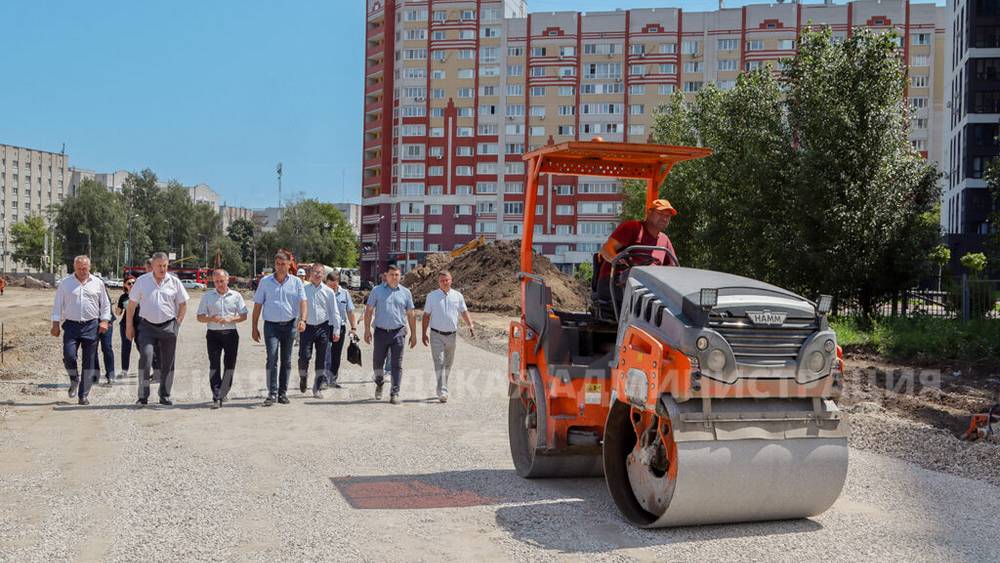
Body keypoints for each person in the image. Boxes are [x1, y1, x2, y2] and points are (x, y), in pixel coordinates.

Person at [126, 252, 190, 406]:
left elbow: (183, 304)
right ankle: (143, 397)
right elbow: (131, 305)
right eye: (159, 266)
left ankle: (165, 395)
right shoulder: (142, 281)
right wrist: (129, 326)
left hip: (169, 326)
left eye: (165, 266)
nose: (162, 269)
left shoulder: (174, 282)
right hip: (147, 326)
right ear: (152, 266)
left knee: (168, 362)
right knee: (146, 358)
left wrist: (178, 323)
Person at [50, 255, 111, 405]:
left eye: (85, 268)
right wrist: (55, 324)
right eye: (79, 268)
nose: (82, 271)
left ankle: (83, 395)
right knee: (69, 356)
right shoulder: (65, 283)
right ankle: (74, 379)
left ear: (89, 267)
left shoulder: (98, 283)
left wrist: (104, 320)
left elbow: (105, 304)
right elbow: (58, 304)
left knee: (89, 362)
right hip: (71, 325)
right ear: (74, 267)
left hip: (91, 325)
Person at [596, 199, 679, 305]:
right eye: (660, 213)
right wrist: (618, 261)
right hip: (616, 282)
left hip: (649, 286)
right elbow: (606, 250)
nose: (664, 218)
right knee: (646, 300)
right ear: (649, 213)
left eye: (668, 216)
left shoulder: (665, 240)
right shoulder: (632, 228)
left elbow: (674, 269)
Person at [252, 251, 307, 406]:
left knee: (287, 360)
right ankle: (272, 393)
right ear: (274, 265)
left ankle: (283, 393)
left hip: (290, 326)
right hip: (271, 326)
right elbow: (257, 305)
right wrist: (254, 326)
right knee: (272, 358)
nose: (281, 267)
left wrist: (302, 319)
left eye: (283, 264)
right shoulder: (265, 282)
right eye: (278, 264)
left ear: (289, 264)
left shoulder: (296, 282)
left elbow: (303, 302)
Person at [364, 264, 416, 404]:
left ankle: (395, 393)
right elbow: (369, 310)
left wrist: (414, 334)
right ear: (386, 276)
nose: (394, 277)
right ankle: (379, 383)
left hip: (398, 332)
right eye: (392, 274)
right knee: (378, 363)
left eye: (397, 275)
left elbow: (411, 313)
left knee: (396, 364)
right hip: (380, 332)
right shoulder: (377, 291)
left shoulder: (406, 292)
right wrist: (367, 330)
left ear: (400, 276)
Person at [196, 268, 248, 409]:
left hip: (231, 333)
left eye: (222, 281)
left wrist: (233, 318)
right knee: (214, 364)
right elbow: (199, 317)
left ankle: (224, 390)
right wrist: (210, 318)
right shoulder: (207, 296)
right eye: (216, 281)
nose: (219, 284)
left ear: (227, 280)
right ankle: (216, 395)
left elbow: (244, 315)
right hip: (213, 334)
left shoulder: (236, 296)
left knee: (229, 364)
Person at [421, 270, 474, 403]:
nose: (445, 283)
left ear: (451, 280)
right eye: (442, 281)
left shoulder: (458, 296)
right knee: (439, 362)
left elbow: (464, 312)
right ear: (439, 282)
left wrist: (471, 325)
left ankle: (443, 385)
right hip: (436, 334)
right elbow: (426, 316)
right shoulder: (432, 296)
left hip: (452, 335)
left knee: (448, 364)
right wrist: (423, 333)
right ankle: (442, 391)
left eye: (447, 280)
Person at [299, 263, 341, 399]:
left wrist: (336, 330)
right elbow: (297, 309)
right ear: (311, 273)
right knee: (304, 356)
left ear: (323, 275)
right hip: (307, 327)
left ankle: (316, 388)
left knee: (321, 359)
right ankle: (303, 377)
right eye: (315, 272)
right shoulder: (303, 289)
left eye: (320, 272)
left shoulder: (328, 292)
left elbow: (334, 312)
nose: (317, 274)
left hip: (323, 327)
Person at [324, 271, 357, 389]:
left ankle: (332, 379)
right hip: (325, 327)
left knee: (336, 354)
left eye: (335, 283)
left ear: (338, 282)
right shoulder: (322, 292)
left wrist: (353, 328)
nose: (333, 286)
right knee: (325, 353)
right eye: (330, 284)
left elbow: (350, 311)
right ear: (326, 282)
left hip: (340, 327)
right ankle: (323, 379)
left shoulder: (344, 293)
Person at [91, 282, 117, 384]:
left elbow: (107, 307)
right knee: (92, 349)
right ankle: (95, 375)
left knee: (107, 347)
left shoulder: (102, 291)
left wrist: (107, 322)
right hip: (92, 324)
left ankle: (110, 374)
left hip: (107, 322)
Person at [115, 277, 136, 378]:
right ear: (125, 285)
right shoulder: (123, 297)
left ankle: (153, 368)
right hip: (125, 324)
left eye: (133, 283)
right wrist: (119, 308)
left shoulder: (140, 295)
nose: (131, 285)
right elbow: (118, 313)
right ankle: (124, 370)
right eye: (129, 283)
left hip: (139, 324)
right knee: (126, 346)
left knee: (143, 346)